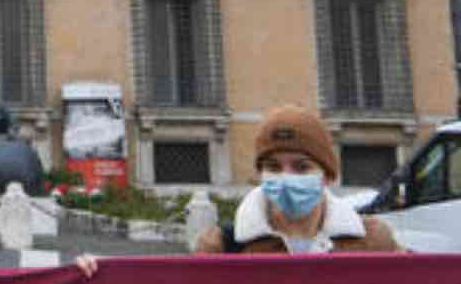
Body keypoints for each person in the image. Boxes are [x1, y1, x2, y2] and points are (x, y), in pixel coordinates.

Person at [75, 105, 400, 278]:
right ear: (260, 174)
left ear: (326, 176)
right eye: (273, 167)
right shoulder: (222, 247)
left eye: (300, 167)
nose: (285, 177)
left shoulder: (372, 241)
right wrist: (102, 274)